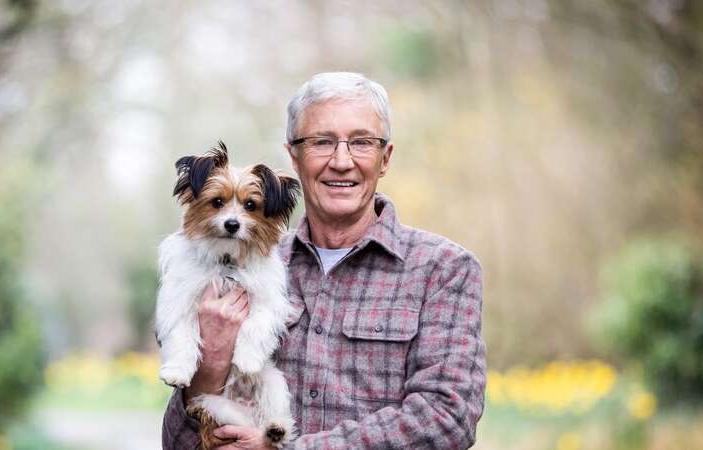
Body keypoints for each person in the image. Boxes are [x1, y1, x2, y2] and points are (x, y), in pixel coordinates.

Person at [162, 72, 486, 449]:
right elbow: (178, 442)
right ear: (294, 157)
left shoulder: (444, 270)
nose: (342, 161)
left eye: (362, 142)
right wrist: (211, 363)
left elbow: (448, 419)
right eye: (322, 142)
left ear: (385, 158)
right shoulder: (238, 266)